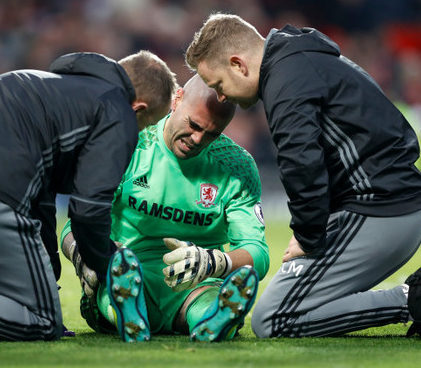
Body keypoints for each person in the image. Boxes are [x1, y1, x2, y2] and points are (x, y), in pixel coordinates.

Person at [185, 13, 421, 338]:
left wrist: (307, 235)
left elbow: (302, 162)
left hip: (379, 210)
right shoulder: (298, 59)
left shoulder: (286, 79)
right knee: (292, 306)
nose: (222, 97)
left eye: (218, 85)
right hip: (384, 206)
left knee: (273, 320)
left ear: (238, 64)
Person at [0, 50, 177, 341]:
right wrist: (109, 264)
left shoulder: (46, 83)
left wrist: (48, 270)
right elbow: (88, 209)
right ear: (138, 108)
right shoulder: (116, 109)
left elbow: (41, 194)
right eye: (147, 125)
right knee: (42, 320)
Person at [60, 74, 269, 342]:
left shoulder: (238, 166)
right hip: (125, 266)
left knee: (205, 298)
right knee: (114, 277)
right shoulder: (131, 144)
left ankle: (212, 318)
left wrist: (215, 261)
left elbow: (258, 252)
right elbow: (75, 223)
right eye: (193, 124)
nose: (197, 138)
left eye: (211, 134)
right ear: (177, 99)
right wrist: (83, 254)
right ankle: (127, 303)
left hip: (196, 281)